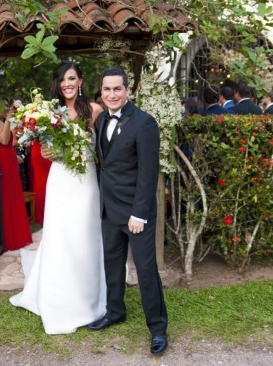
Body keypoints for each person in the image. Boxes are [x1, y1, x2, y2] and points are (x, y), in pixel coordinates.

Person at [10, 60, 106, 335]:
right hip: (60, 180)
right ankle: (58, 297)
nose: (68, 83)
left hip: (85, 181)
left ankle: (88, 296)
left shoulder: (96, 111)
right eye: (63, 79)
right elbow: (41, 148)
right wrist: (46, 152)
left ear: (81, 82)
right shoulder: (49, 113)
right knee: (60, 235)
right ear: (58, 83)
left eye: (72, 78)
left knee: (85, 235)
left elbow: (106, 147)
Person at [89, 67, 168, 355]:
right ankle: (115, 311)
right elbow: (105, 165)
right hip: (109, 208)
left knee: (146, 270)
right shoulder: (100, 123)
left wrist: (139, 214)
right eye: (107, 89)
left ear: (127, 90)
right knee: (112, 264)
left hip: (136, 212)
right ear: (102, 91)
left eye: (117, 89)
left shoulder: (144, 123)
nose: (112, 94)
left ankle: (158, 328)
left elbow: (149, 174)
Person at [0, 101, 33, 252]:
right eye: (2, 106)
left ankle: (17, 233)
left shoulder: (0, 120)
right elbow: (3, 140)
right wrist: (9, 116)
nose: (4, 108)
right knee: (7, 197)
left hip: (10, 160)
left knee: (14, 195)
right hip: (3, 161)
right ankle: (9, 237)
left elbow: (11, 139)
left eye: (6, 106)